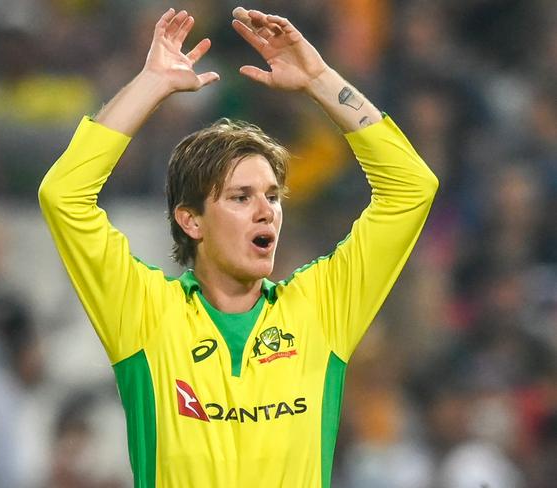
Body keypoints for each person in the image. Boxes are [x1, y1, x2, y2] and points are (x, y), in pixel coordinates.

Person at [39, 6, 438, 488]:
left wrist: (320, 78)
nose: (266, 210)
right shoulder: (145, 313)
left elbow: (411, 188)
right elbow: (64, 197)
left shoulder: (320, 311)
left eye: (272, 196)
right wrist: (151, 83)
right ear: (191, 220)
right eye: (240, 197)